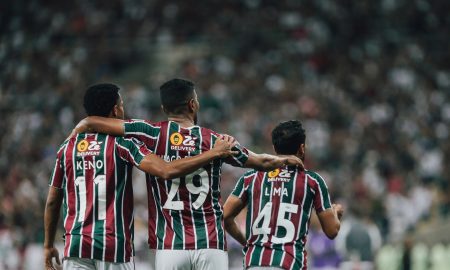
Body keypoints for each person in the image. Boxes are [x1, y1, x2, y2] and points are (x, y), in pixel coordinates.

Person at [73, 78, 304, 270]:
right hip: (210, 244)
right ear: (193, 105)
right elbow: (261, 161)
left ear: (164, 109)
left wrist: (79, 129)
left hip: (170, 247)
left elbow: (94, 122)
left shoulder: (150, 133)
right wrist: (284, 159)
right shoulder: (217, 141)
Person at [44, 83, 237, 270]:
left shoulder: (66, 148)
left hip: (76, 244)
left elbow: (53, 201)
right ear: (115, 111)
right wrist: (213, 153)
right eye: (122, 106)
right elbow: (165, 170)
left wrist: (48, 245)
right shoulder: (124, 144)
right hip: (113, 245)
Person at [223, 120, 344, 270]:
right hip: (289, 263)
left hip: (254, 262)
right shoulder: (313, 181)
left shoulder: (251, 178)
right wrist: (336, 214)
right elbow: (332, 231)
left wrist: (247, 242)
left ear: (274, 148)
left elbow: (225, 216)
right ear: (302, 148)